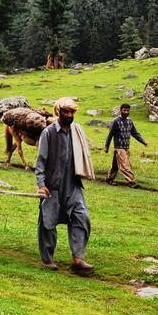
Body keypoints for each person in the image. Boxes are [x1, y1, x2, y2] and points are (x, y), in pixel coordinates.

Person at [35, 97, 95, 274]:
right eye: (66, 112)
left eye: (72, 112)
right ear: (58, 112)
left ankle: (78, 259)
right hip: (52, 185)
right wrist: (41, 184)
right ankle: (47, 259)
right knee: (48, 221)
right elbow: (40, 161)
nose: (69, 115)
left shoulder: (77, 131)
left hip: (73, 185)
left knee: (81, 217)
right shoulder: (49, 133)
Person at [104, 103, 147, 188]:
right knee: (125, 165)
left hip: (126, 147)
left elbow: (134, 133)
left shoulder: (130, 121)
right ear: (120, 110)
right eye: (124, 110)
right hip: (119, 147)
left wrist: (143, 141)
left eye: (128, 110)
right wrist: (106, 146)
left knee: (115, 165)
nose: (126, 112)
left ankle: (110, 178)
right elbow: (110, 135)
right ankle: (131, 181)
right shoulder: (115, 121)